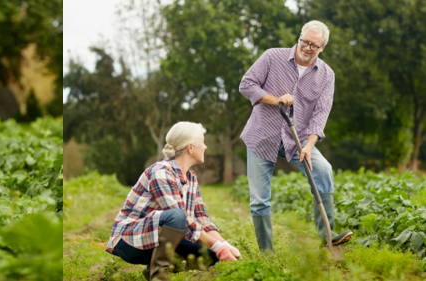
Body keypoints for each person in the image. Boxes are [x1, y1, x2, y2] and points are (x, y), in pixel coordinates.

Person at [239, 20, 353, 252]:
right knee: (260, 198)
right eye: (305, 41)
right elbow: (246, 84)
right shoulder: (272, 57)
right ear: (299, 38)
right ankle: (266, 254)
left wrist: (310, 145)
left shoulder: (326, 75)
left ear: (322, 48)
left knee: (323, 170)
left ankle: (327, 234)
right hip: (262, 135)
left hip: (298, 138)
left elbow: (321, 113)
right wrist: (276, 99)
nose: (308, 47)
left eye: (314, 45)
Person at [106, 122, 241, 281]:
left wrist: (224, 246)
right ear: (190, 147)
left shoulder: (191, 178)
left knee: (211, 254)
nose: (205, 147)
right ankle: (159, 276)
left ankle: (152, 269)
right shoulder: (161, 173)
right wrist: (219, 246)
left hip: (155, 239)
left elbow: (201, 218)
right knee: (177, 216)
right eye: (202, 142)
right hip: (129, 240)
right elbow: (183, 220)